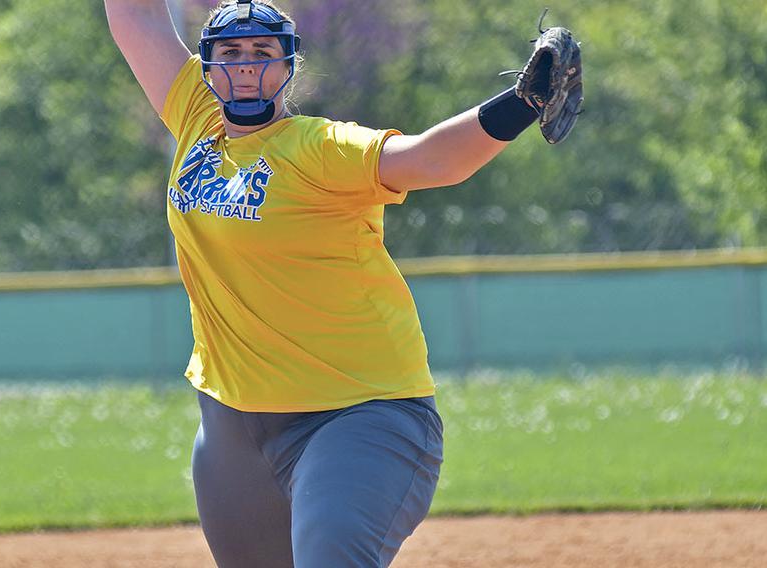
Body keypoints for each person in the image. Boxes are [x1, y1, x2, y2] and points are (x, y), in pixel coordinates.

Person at [105, 1, 544, 566]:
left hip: (356, 415)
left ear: (289, 65)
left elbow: (434, 160)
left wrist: (524, 101)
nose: (245, 66)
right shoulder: (195, 116)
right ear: (207, 66)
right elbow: (132, 16)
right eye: (230, 53)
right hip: (233, 431)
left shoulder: (320, 147)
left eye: (262, 53)